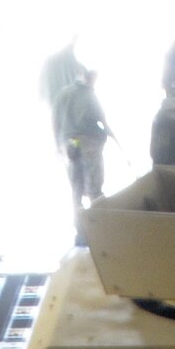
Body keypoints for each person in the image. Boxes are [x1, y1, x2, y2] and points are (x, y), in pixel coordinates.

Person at [53, 66, 110, 244]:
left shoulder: (63, 94)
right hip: (88, 144)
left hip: (69, 144)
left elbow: (55, 120)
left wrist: (58, 144)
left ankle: (79, 230)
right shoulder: (89, 95)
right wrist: (106, 136)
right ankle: (98, 228)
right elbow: (101, 120)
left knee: (76, 189)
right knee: (95, 190)